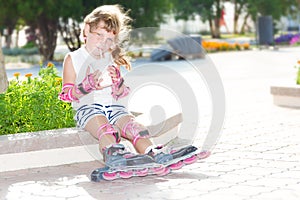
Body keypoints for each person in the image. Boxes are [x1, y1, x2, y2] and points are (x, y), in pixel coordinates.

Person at [59, 4, 197, 179]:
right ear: (87, 30)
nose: (103, 42)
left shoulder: (109, 59)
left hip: (114, 107)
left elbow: (119, 93)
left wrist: (117, 83)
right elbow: (67, 94)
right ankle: (114, 156)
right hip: (88, 108)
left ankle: (153, 152)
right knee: (106, 129)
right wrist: (86, 85)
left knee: (135, 127)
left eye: (109, 39)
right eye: (99, 35)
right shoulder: (73, 58)